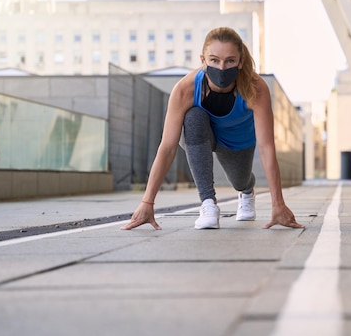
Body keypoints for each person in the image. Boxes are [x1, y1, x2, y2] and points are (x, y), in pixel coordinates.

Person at [122, 27, 304, 231]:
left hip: (237, 142)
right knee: (193, 117)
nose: (222, 68)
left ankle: (246, 191)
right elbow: (167, 147)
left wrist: (278, 204)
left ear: (240, 61)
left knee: (240, 180)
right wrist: (147, 202)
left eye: (230, 61)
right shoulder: (185, 89)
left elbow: (266, 147)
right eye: (215, 60)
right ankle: (208, 204)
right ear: (203, 60)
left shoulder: (255, 88)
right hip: (201, 134)